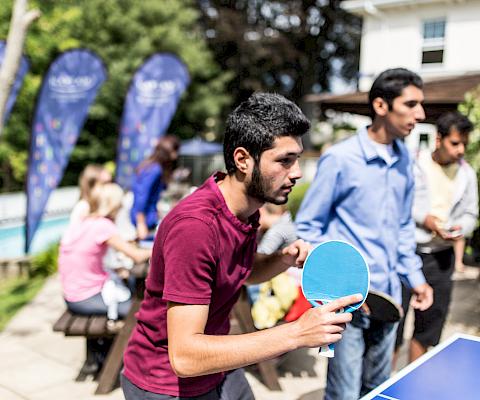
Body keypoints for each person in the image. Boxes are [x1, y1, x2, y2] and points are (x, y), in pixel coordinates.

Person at [121, 92, 363, 400]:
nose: (298, 173)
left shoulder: (246, 210)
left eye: (297, 159)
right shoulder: (195, 228)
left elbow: (242, 272)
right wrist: (297, 333)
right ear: (243, 160)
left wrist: (281, 260)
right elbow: (184, 356)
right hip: (167, 384)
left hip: (218, 367)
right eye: (284, 161)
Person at [295, 68, 434, 400]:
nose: (421, 114)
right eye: (411, 104)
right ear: (381, 106)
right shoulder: (340, 159)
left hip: (390, 298)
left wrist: (415, 278)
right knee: (343, 394)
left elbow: (402, 228)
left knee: (378, 391)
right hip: (349, 304)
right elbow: (308, 227)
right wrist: (338, 284)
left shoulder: (406, 162)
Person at [395, 111, 478, 362]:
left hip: (441, 259)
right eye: (455, 143)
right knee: (392, 326)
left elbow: (471, 213)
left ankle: (410, 386)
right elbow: (398, 203)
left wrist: (459, 228)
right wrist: (426, 219)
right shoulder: (412, 164)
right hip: (406, 252)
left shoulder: (467, 174)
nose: (461, 149)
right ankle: (382, 383)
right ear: (438, 140)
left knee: (428, 330)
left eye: (465, 143)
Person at [59, 183, 151, 327]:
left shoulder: (84, 221)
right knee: (143, 311)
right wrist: (160, 248)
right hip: (85, 298)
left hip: (72, 294)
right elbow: (137, 255)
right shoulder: (103, 225)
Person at [130, 135, 180, 240]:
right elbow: (142, 194)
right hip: (144, 218)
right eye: (174, 151)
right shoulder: (155, 170)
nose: (176, 155)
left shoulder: (151, 166)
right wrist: (141, 222)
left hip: (146, 215)